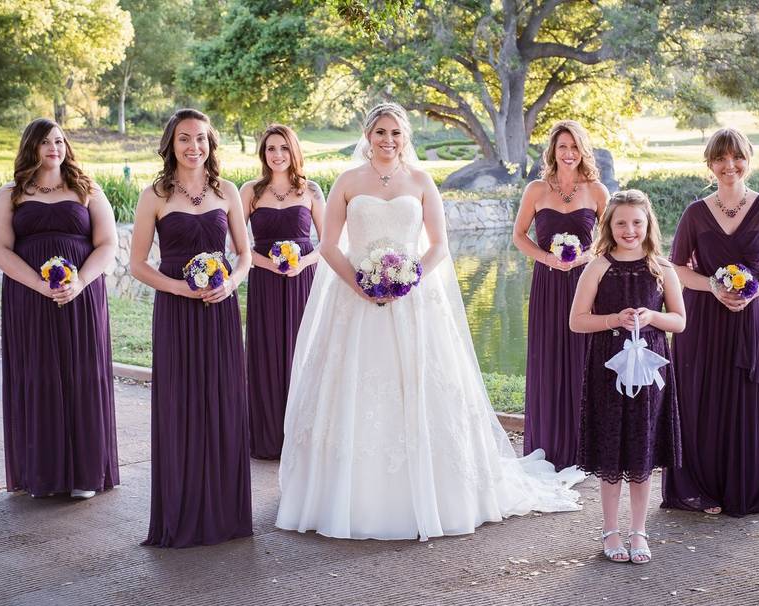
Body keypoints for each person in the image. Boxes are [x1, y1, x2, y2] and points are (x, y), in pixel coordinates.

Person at [276, 103, 584, 541]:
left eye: (396, 133)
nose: (388, 141)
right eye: (380, 132)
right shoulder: (347, 182)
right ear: (368, 135)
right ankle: (343, 496)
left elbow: (439, 245)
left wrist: (407, 279)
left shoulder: (421, 182)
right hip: (355, 302)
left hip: (411, 300)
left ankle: (434, 494)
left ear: (406, 138)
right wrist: (361, 285)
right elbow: (328, 246)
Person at [130, 108, 254, 547]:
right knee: (181, 406)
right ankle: (181, 514)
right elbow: (137, 264)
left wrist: (231, 284)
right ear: (171, 143)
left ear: (210, 144)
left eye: (201, 138)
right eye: (185, 138)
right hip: (176, 313)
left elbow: (245, 255)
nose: (193, 146)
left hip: (220, 311)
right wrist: (180, 289)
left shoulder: (228, 191)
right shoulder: (155, 195)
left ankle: (225, 514)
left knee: (222, 403)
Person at [661, 128, 759, 517]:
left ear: (748, 159)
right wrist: (713, 288)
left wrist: (755, 291)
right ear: (710, 164)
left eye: (737, 158)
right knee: (701, 402)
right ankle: (699, 490)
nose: (729, 166)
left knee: (751, 402)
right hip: (702, 320)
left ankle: (748, 491)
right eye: (720, 159)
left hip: (753, 320)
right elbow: (678, 269)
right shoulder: (694, 213)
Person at [0, 118, 119, 500]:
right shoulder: (10, 194)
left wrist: (79, 283)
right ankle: (43, 475)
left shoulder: (87, 189)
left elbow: (107, 244)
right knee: (38, 375)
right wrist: (40, 286)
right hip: (29, 298)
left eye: (59, 141)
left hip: (83, 296)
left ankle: (85, 474)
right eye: (45, 141)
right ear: (31, 146)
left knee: (84, 374)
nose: (54, 148)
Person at [570, 189, 685, 564]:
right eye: (621, 222)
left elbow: (680, 321)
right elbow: (576, 321)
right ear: (609, 225)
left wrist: (652, 318)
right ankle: (610, 529)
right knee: (611, 449)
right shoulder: (598, 266)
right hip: (608, 366)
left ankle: (638, 531)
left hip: (649, 371)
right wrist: (613, 320)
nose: (629, 229)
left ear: (648, 224)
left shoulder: (661, 267)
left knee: (641, 450)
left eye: (637, 222)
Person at [513, 120, 608, 470]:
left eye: (574, 147)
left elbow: (608, 240)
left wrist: (582, 258)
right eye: (562, 147)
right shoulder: (536, 190)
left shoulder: (597, 191)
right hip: (548, 284)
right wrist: (548, 259)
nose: (568, 154)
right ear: (552, 151)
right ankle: (548, 444)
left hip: (586, 283)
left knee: (584, 360)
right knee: (549, 358)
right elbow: (519, 235)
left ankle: (586, 447)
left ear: (583, 150)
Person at [239, 124, 324, 459]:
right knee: (266, 353)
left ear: (294, 152)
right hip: (264, 281)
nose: (277, 155)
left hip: (302, 281)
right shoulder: (250, 191)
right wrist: (265, 262)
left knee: (301, 353)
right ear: (263, 154)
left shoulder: (311, 190)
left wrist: (303, 263)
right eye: (271, 149)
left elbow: (329, 242)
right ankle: (268, 437)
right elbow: (238, 243)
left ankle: (302, 440)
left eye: (284, 148)